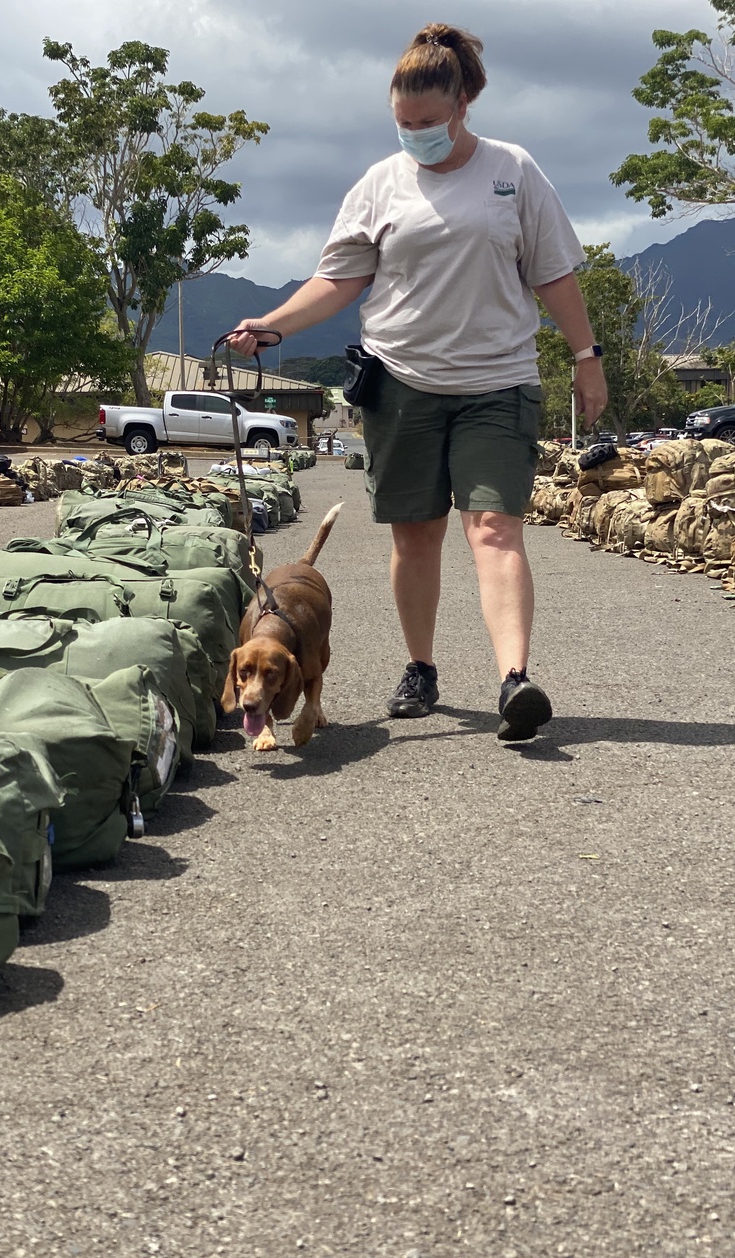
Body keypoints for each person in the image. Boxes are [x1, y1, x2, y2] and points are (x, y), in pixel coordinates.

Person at [230, 23, 607, 742]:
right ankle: (421, 668)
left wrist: (587, 356)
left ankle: (514, 680)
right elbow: (339, 278)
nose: (415, 137)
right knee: (416, 535)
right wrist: (273, 323)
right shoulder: (379, 184)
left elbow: (555, 273)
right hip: (401, 381)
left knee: (494, 527)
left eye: (429, 124)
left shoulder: (513, 171)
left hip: (498, 380)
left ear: (464, 103)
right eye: (403, 125)